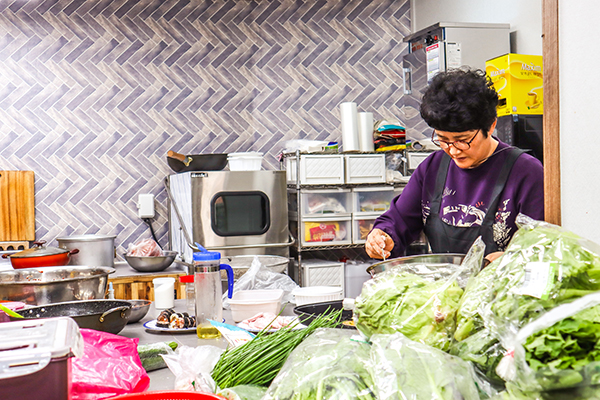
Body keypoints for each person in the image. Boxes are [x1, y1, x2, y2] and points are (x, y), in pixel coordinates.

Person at [365, 68, 544, 263]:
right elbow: (398, 220)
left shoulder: (527, 173)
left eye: (462, 140)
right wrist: (383, 236)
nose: (453, 150)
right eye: (443, 139)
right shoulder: (432, 168)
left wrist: (512, 259)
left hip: (503, 290)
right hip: (446, 289)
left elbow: (544, 246)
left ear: (491, 125)